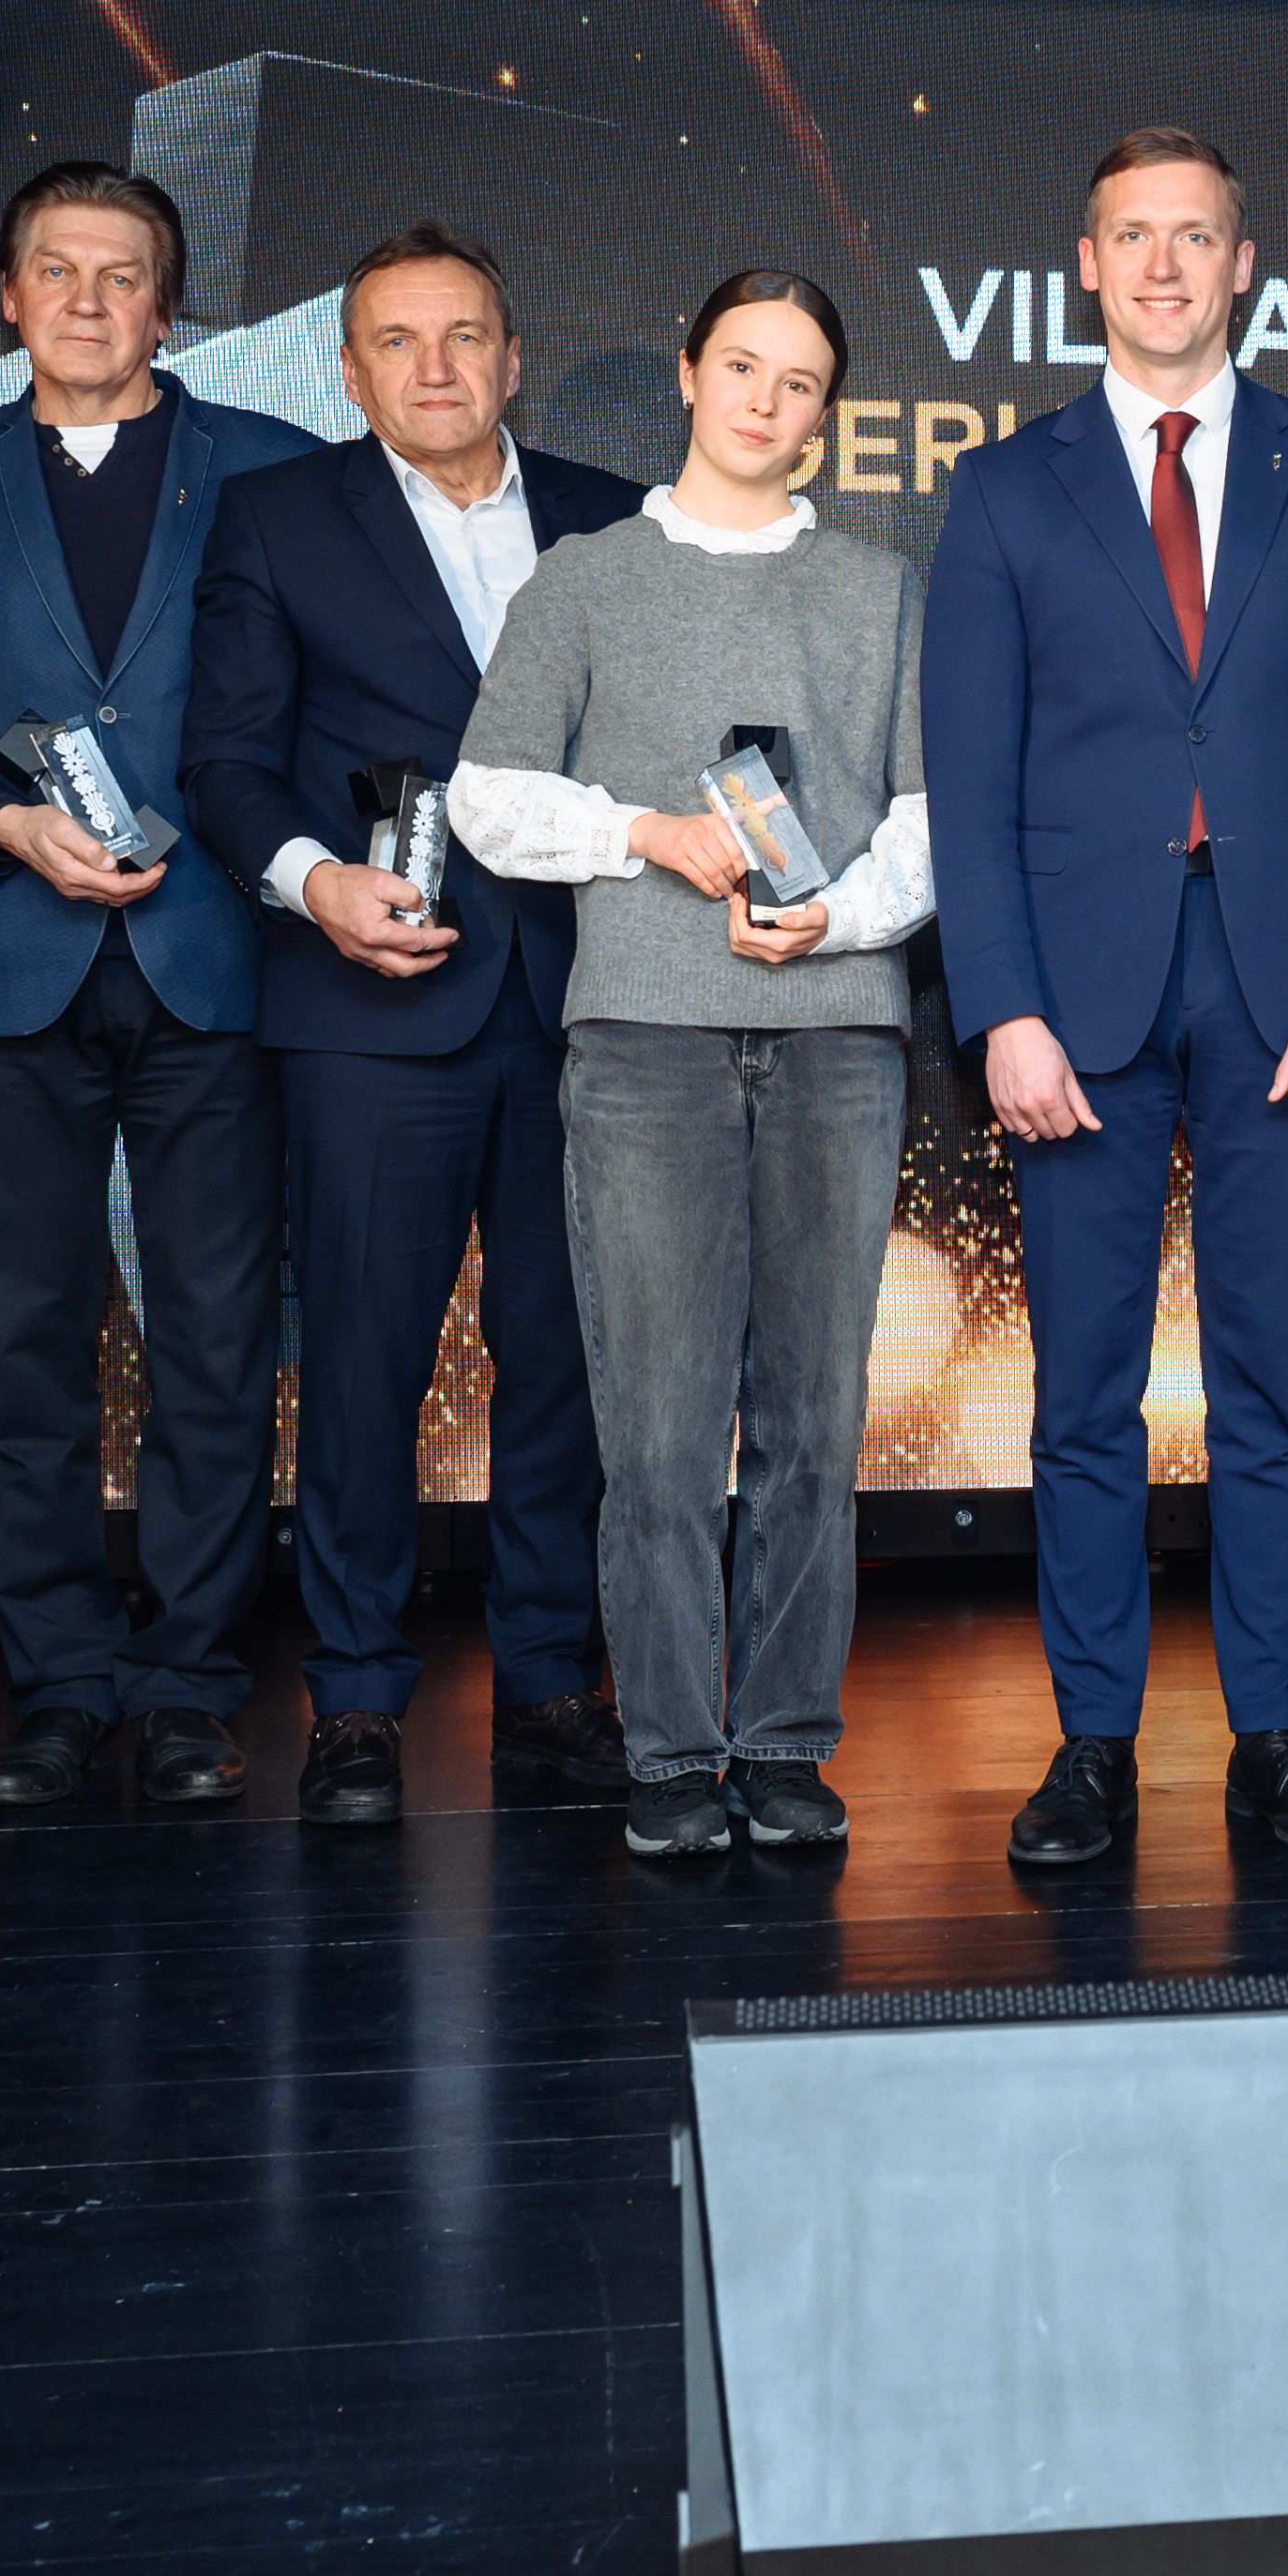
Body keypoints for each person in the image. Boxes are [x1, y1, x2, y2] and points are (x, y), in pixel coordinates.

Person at [926, 129, 1288, 1868]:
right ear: (1086, 265)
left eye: (1193, 236)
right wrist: (999, 1008)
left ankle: (1272, 1738)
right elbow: (969, 781)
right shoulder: (1004, 489)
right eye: (1131, 236)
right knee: (1080, 1393)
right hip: (1073, 998)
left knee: (1269, 1388)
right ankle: (1090, 1746)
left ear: (1241, 264)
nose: (1161, 265)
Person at [450, 270, 933, 1856]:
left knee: (812, 1422)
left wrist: (841, 919)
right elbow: (487, 795)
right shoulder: (586, 579)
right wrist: (645, 836)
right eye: (741, 366)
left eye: (798, 384)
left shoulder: (879, 589)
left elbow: (929, 819)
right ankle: (668, 1753)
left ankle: (783, 1742)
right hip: (643, 1040)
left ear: (823, 420)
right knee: (656, 1430)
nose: (763, 402)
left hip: (835, 1040)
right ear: (685, 371)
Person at [0, 161, 322, 1810]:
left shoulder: (270, 466)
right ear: (7, 297)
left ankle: (188, 1681)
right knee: (29, 1342)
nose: (86, 299)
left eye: (121, 275)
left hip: (216, 959)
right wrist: (2, 829)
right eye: (54, 269)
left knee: (216, 1342)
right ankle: (58, 1684)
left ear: (167, 308)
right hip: (7, 957)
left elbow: (299, 715)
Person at [179, 222, 644, 1825]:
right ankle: (360, 1700)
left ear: (514, 358)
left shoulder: (611, 515)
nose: (434, 367)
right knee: (364, 1366)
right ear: (350, 368)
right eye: (397, 339)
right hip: (369, 1009)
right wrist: (312, 885)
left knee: (563, 1363)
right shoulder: (277, 518)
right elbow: (225, 761)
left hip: (586, 1003)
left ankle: (549, 1680)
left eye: (463, 337)